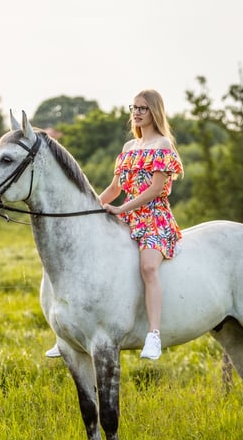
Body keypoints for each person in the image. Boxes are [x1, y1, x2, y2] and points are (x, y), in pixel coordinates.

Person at [46, 89, 183, 360]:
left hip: (154, 218)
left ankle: (154, 336)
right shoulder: (129, 148)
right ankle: (65, 336)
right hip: (128, 216)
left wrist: (122, 208)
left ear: (154, 111)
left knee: (148, 268)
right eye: (134, 107)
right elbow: (114, 188)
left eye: (143, 108)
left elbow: (156, 189)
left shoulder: (162, 146)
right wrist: (90, 210)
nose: (137, 112)